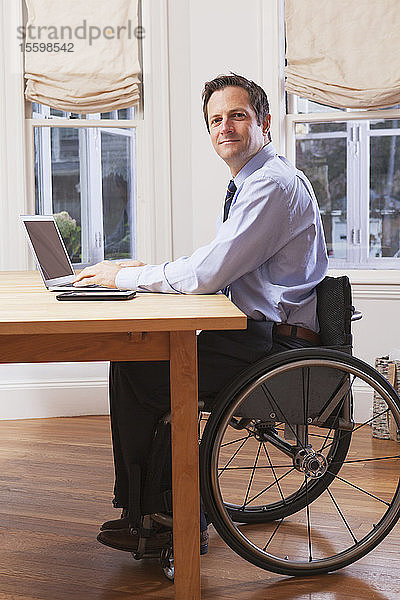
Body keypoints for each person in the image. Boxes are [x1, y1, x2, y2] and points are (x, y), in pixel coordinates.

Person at [73, 73, 328, 555]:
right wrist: (144, 269)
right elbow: (218, 264)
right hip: (255, 330)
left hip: (274, 342)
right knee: (137, 355)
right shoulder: (249, 183)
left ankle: (167, 514)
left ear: (265, 122)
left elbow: (209, 274)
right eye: (215, 119)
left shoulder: (271, 185)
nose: (224, 128)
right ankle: (149, 510)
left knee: (139, 367)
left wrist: (124, 279)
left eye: (237, 116)